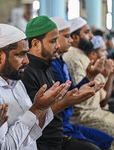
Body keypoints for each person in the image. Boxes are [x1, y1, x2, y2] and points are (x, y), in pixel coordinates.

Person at [0, 24, 71, 150]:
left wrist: (43, 107)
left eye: (26, 54)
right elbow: (2, 147)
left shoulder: (13, 77)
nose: (27, 61)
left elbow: (32, 132)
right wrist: (37, 108)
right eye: (20, 55)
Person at [21, 15, 103, 150]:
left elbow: (55, 102)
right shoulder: (27, 72)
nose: (58, 46)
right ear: (35, 43)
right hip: (42, 142)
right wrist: (66, 101)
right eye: (53, 41)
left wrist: (77, 91)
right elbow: (33, 118)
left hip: (58, 134)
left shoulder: (46, 66)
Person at [50, 17, 113, 150]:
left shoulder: (62, 59)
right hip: (79, 117)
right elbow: (81, 101)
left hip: (74, 119)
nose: (91, 35)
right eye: (86, 32)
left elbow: (74, 90)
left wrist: (91, 76)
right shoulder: (72, 57)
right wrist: (101, 76)